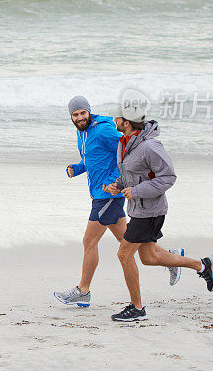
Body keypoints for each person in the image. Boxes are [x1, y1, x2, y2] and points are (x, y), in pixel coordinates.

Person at [53, 95, 180, 307]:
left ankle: (83, 291)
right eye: (75, 115)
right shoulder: (82, 132)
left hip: (109, 195)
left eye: (83, 113)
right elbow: (93, 158)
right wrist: (78, 168)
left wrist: (118, 183)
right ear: (71, 117)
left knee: (89, 241)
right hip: (99, 193)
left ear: (89, 111)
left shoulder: (103, 130)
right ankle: (170, 258)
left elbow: (126, 152)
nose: (79, 117)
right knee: (128, 241)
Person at [103, 95, 213, 322]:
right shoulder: (124, 142)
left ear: (126, 121)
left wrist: (136, 191)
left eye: (117, 116)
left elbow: (168, 178)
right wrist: (119, 185)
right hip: (138, 209)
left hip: (151, 212)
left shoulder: (150, 146)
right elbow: (134, 175)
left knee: (124, 254)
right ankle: (202, 265)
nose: (113, 118)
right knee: (149, 257)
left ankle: (137, 308)